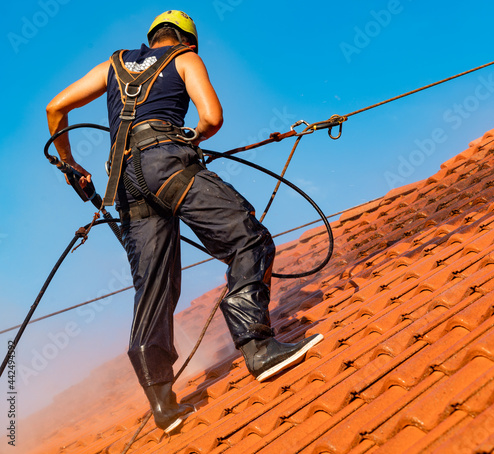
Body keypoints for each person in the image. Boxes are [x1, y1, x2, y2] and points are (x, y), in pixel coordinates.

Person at [46, 10, 323, 434]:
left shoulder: (114, 64)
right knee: (248, 238)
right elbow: (211, 117)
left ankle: (162, 402)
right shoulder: (185, 58)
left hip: (123, 183)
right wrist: (190, 138)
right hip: (167, 165)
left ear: (151, 38)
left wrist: (70, 164)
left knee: (154, 286)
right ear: (187, 42)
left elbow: (56, 107)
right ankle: (257, 344)